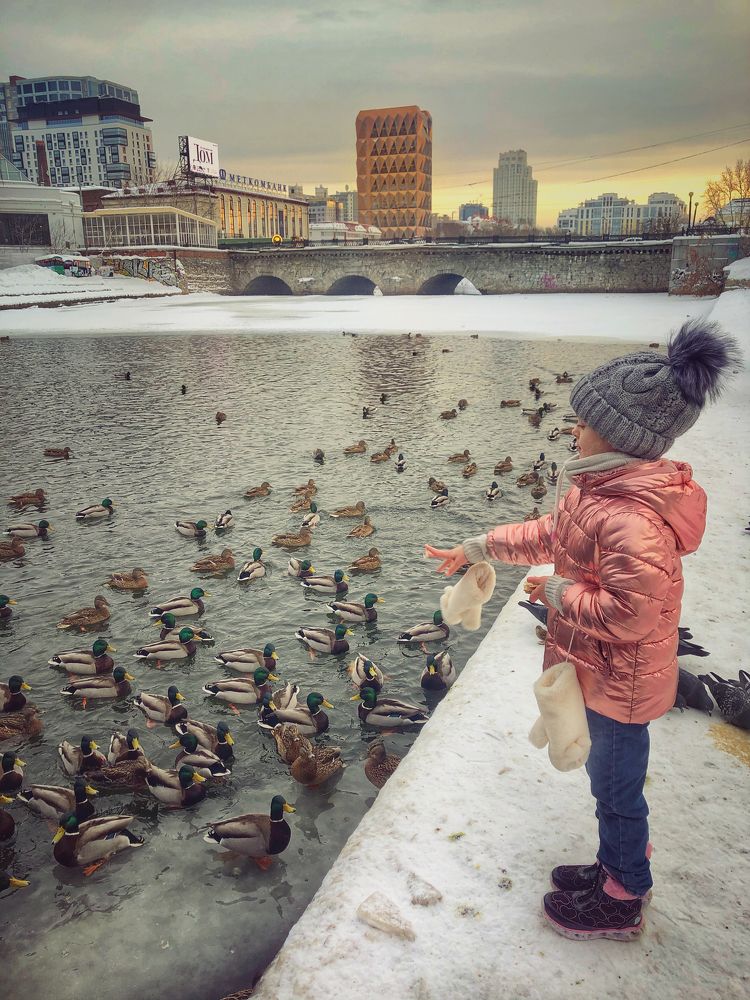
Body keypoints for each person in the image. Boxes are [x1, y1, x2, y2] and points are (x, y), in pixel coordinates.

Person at [425, 320, 739, 941]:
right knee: (608, 786)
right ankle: (611, 866)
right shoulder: (597, 493)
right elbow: (548, 535)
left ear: (619, 434)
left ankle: (622, 897)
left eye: (583, 422)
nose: (572, 430)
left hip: (622, 685)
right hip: (597, 672)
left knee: (619, 791)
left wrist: (562, 592)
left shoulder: (633, 521)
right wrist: (480, 545)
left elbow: (631, 615)